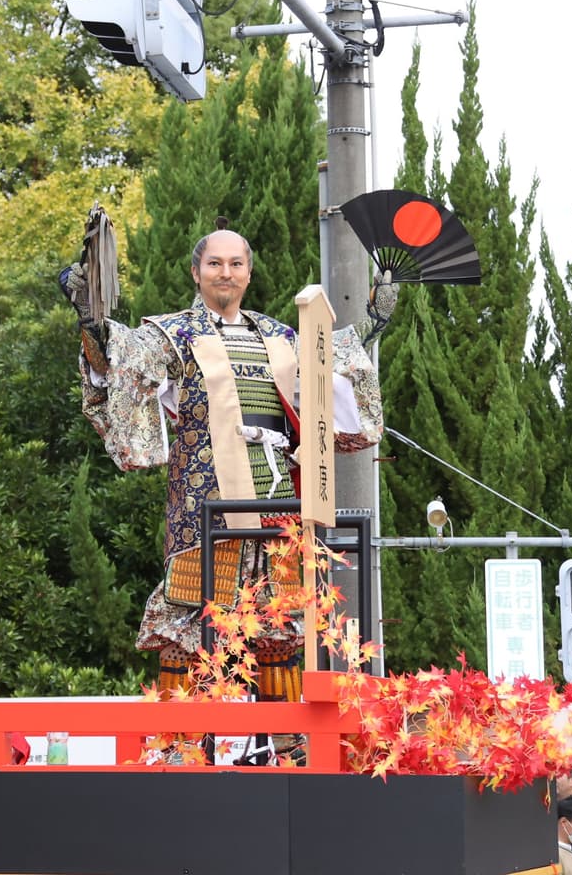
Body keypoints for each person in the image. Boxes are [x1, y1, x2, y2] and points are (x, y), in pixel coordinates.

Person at [59, 226, 389, 716]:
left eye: (236, 264)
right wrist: (90, 318)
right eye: (215, 263)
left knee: (278, 627)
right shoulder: (172, 335)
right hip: (204, 504)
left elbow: (330, 358)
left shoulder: (278, 335)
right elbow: (118, 355)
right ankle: (177, 738)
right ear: (196, 272)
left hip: (277, 499)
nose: (226, 273)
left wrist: (376, 319)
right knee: (188, 620)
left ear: (249, 274)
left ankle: (288, 738)